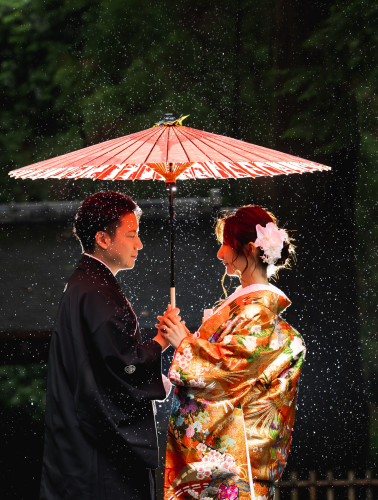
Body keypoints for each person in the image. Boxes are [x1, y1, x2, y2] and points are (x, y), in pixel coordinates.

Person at [157, 205, 306, 500]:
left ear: (249, 249)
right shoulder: (246, 308)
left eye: (225, 245)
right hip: (228, 461)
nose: (219, 253)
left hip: (235, 459)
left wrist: (185, 342)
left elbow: (229, 372)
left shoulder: (257, 311)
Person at [40, 191, 171, 500]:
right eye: (131, 235)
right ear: (102, 238)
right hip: (98, 450)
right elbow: (123, 366)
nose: (139, 244)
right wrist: (162, 341)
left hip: (76, 440)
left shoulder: (85, 284)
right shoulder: (98, 292)